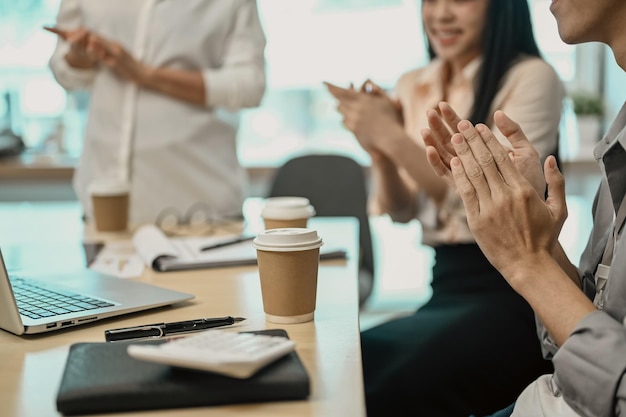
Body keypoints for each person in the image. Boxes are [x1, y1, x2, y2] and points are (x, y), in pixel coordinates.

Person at [325, 0, 564, 416]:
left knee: (374, 381)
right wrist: (380, 149)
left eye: (462, 0)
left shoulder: (531, 77)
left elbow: (490, 201)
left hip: (510, 294)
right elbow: (401, 210)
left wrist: (391, 134)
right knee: (339, 363)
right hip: (446, 286)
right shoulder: (413, 82)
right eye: (432, 0)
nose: (442, 15)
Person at [424, 0, 626, 416]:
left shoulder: (533, 75)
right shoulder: (619, 135)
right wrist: (542, 245)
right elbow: (594, 326)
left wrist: (526, 260)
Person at [47, 0, 266, 227]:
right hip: (103, 202)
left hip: (201, 207)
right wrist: (79, 59)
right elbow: (64, 71)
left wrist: (144, 74)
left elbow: (250, 85)